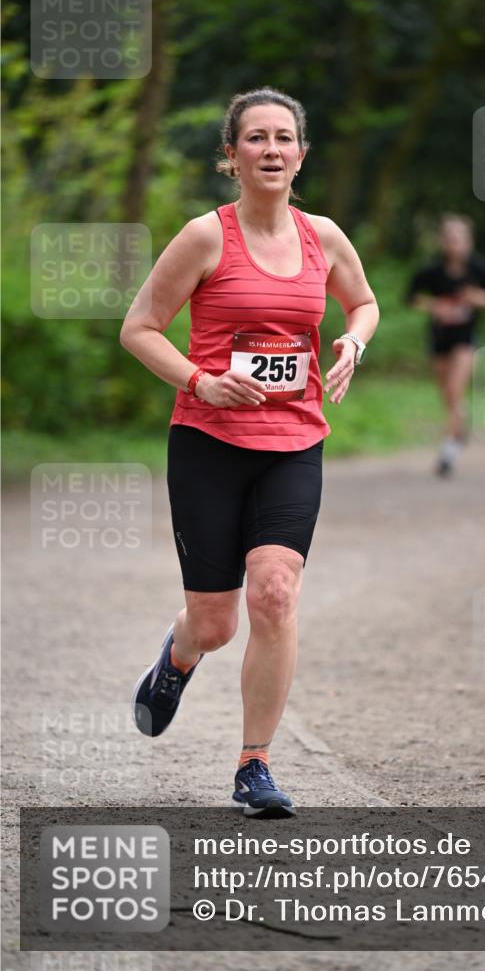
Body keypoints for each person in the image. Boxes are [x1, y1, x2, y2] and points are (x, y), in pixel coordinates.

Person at [120, 87, 379, 817]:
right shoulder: (205, 237)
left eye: (284, 137)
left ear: (301, 154)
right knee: (215, 623)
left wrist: (353, 339)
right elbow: (139, 328)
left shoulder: (322, 236)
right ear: (230, 156)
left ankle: (253, 765)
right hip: (207, 441)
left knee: (274, 593)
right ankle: (176, 660)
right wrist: (203, 381)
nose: (271, 149)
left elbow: (363, 300)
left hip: (293, 441)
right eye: (256, 138)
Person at [407, 214, 485, 475]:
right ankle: (460, 422)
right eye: (449, 238)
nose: (454, 243)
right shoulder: (431, 271)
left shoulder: (481, 269)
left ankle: (448, 450)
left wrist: (476, 298)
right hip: (439, 337)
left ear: (469, 241)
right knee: (447, 393)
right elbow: (412, 298)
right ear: (442, 241)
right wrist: (435, 306)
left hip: (466, 339)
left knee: (455, 390)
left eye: (459, 238)